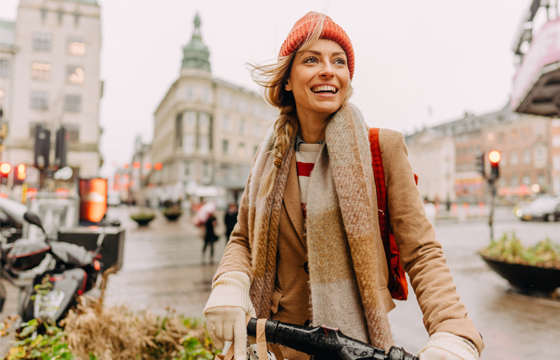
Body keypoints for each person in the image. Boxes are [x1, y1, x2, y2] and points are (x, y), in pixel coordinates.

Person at [203, 12, 483, 360]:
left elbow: (422, 251)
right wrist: (229, 282)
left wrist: (452, 329)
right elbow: (244, 238)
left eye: (339, 61)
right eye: (311, 59)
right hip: (273, 346)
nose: (328, 70)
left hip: (357, 349)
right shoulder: (267, 160)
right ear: (287, 79)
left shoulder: (383, 149)